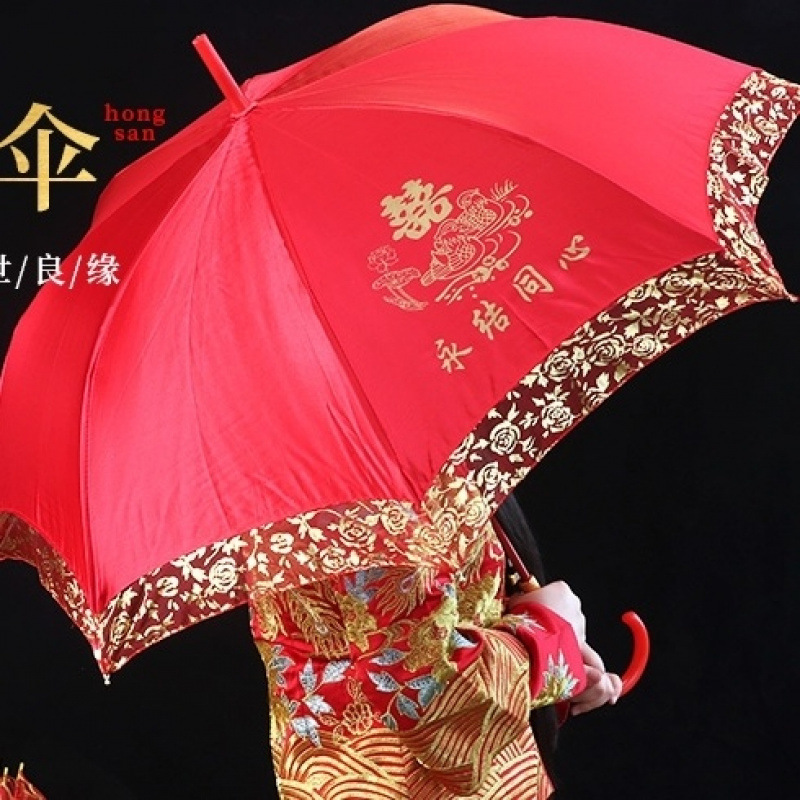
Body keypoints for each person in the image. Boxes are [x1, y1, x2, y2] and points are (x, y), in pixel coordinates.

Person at [248, 486, 621, 799]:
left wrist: (555, 668)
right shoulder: (364, 490)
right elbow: (424, 693)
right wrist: (543, 639)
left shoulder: (287, 480)